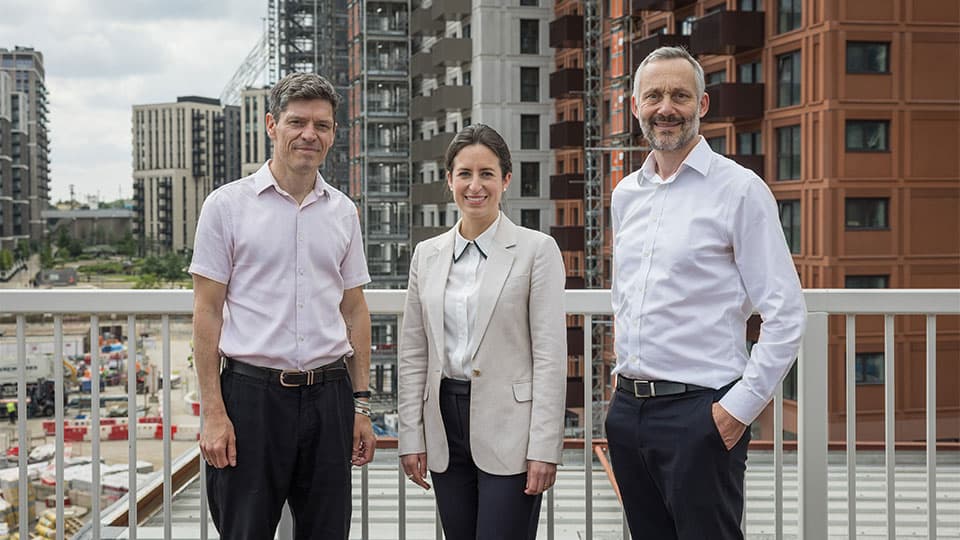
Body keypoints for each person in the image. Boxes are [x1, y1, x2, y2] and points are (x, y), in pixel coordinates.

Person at [605, 46, 807, 540]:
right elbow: (626, 299)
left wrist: (736, 411)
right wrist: (618, 400)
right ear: (635, 106)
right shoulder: (626, 194)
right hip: (628, 413)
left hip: (701, 414)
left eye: (680, 95)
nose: (666, 108)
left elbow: (786, 314)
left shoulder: (740, 190)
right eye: (653, 96)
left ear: (703, 104)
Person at [190, 72, 375, 540]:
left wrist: (361, 406)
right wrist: (213, 412)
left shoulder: (343, 212)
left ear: (333, 133)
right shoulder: (226, 206)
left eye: (322, 125)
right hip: (250, 400)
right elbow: (207, 312)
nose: (310, 134)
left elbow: (355, 310)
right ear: (272, 125)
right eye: (297, 122)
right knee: (245, 531)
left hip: (329, 397)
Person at [398, 124, 568, 540]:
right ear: (449, 180)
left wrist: (544, 448)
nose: (475, 186)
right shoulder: (427, 255)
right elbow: (414, 352)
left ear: (506, 179)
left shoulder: (537, 250)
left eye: (487, 174)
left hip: (511, 428)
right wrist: (410, 437)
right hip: (444, 423)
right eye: (465, 174)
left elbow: (550, 357)